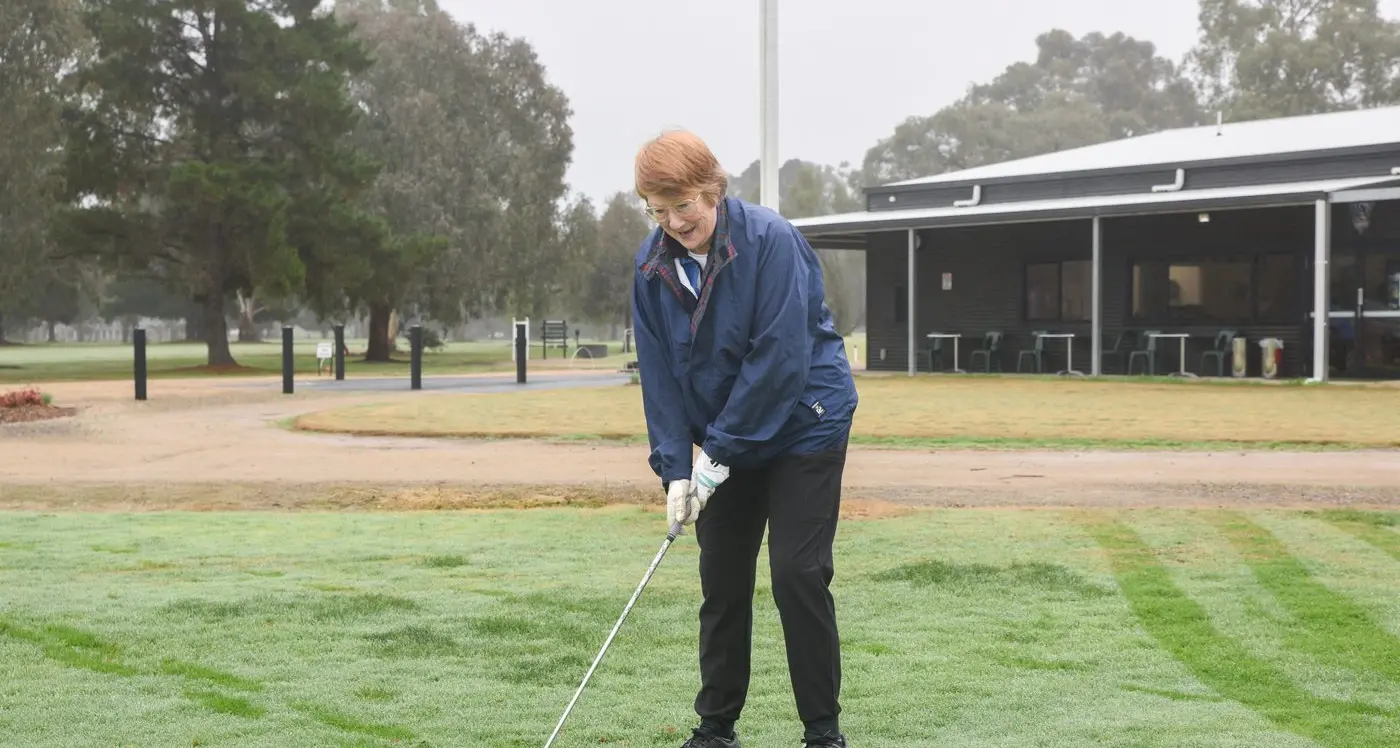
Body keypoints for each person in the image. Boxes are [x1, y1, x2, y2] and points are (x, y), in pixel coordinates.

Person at [629, 129, 858, 748]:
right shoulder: (652, 267)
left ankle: (822, 732)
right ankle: (715, 731)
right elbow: (659, 376)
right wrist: (676, 468)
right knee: (722, 577)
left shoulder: (770, 240)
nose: (675, 221)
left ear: (713, 190)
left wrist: (716, 457)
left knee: (796, 573)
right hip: (727, 436)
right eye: (659, 209)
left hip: (807, 419)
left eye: (686, 206)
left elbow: (777, 359)